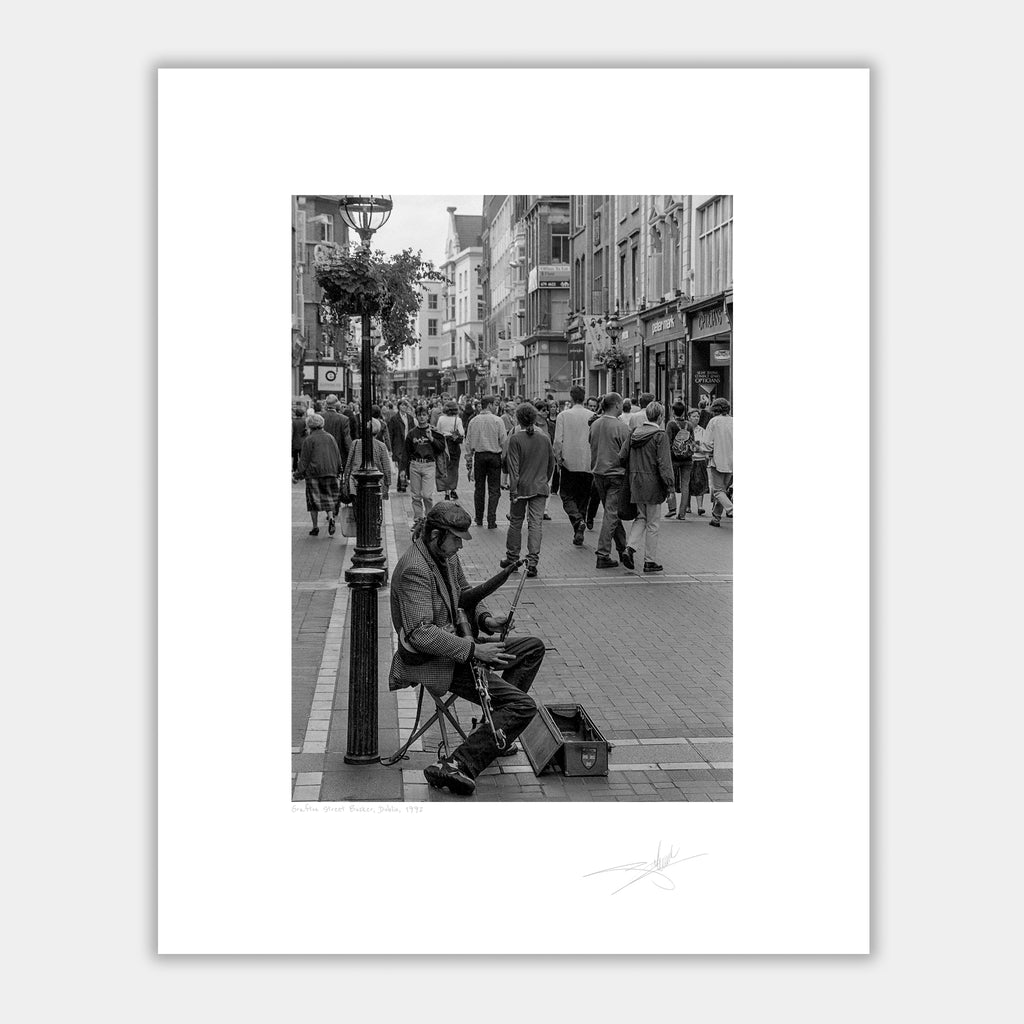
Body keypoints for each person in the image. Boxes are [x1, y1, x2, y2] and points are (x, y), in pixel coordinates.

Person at [389, 502, 545, 796]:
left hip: (459, 644)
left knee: (532, 648)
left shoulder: (444, 556)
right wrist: (475, 652)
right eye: (456, 538)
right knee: (523, 707)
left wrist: (486, 619)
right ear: (436, 535)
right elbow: (420, 633)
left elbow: (465, 594)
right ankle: (459, 763)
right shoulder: (414, 569)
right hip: (433, 660)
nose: (460, 545)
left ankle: (491, 731)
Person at [501, 403, 555, 579]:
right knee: (535, 524)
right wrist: (543, 480)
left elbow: (513, 468)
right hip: (539, 486)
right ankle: (532, 562)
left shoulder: (516, 439)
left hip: (521, 487)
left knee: (516, 522)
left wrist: (513, 490)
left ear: (518, 419)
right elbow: (551, 464)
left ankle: (512, 557)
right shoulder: (545, 437)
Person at [620, 401, 674, 574]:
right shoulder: (660, 435)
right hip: (653, 483)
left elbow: (622, 456)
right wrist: (670, 486)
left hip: (635, 481)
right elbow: (664, 464)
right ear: (659, 417)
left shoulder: (634, 433)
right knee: (653, 523)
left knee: (641, 518)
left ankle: (629, 547)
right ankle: (649, 561)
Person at [589, 393, 631, 569]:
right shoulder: (621, 427)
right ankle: (603, 553)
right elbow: (627, 452)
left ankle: (623, 549)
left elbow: (590, 444)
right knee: (611, 514)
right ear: (616, 405)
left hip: (598, 472)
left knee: (611, 513)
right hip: (616, 474)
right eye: (621, 404)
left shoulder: (595, 424)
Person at [553, 385, 593, 546]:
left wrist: (558, 458)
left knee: (567, 495)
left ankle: (577, 520)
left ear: (571, 397)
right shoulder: (592, 415)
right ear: (584, 398)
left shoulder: (563, 416)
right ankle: (579, 524)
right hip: (587, 462)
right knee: (583, 498)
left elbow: (557, 441)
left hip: (569, 463)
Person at [293, 412, 343, 536]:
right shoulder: (330, 437)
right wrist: (339, 469)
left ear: (309, 426)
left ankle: (315, 527)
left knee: (313, 502)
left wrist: (297, 475)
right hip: (330, 471)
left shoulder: (309, 440)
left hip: (314, 474)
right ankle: (331, 517)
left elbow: (304, 460)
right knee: (329, 498)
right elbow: (337, 454)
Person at [464, 395, 506, 529]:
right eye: (495, 404)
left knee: (479, 488)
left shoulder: (473, 421)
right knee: (494, 489)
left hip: (479, 456)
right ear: (489, 405)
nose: (496, 407)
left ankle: (479, 517)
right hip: (494, 456)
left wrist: (469, 461)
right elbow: (503, 441)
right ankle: (492, 519)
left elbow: (468, 442)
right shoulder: (498, 420)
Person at [403, 406, 447, 520]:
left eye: (424, 415)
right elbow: (406, 452)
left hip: (429, 464)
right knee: (416, 496)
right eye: (419, 415)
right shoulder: (412, 433)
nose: (422, 417)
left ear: (428, 416)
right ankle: (418, 519)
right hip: (415, 465)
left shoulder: (434, 431)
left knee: (427, 495)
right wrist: (403, 470)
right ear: (416, 417)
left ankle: (429, 517)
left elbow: (441, 447)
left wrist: (431, 438)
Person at [342, 418, 392, 504]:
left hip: (355, 480)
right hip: (376, 482)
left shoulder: (355, 443)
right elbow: (386, 467)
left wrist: (345, 479)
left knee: (357, 505)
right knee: (374, 506)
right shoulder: (381, 446)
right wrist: (387, 483)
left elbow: (349, 464)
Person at [703, 397, 734, 527]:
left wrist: (705, 451)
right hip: (732, 461)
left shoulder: (714, 422)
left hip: (717, 460)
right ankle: (716, 518)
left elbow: (707, 442)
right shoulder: (734, 421)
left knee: (718, 491)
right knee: (723, 491)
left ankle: (731, 508)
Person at [664, 401, 694, 520]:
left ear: (673, 411)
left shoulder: (671, 424)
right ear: (684, 411)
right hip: (688, 459)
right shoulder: (689, 425)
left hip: (673, 458)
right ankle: (682, 513)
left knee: (670, 482)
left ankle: (672, 508)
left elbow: (667, 441)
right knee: (685, 485)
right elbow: (692, 442)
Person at [434, 399, 465, 500]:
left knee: (444, 467)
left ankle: (446, 492)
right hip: (454, 445)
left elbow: (438, 431)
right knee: (454, 468)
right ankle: (453, 490)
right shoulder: (458, 420)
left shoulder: (441, 419)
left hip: (444, 444)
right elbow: (462, 432)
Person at [534, 400, 557, 520]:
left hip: (549, 459)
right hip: (535, 459)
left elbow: (555, 441)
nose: (546, 412)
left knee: (548, 484)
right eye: (543, 410)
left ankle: (545, 510)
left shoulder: (551, 426)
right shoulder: (532, 426)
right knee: (535, 483)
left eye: (547, 409)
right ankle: (534, 509)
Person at [388, 399, 415, 493]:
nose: (404, 407)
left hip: (408, 443)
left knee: (407, 464)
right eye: (403, 405)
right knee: (401, 465)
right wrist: (390, 447)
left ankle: (401, 484)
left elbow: (413, 431)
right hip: (398, 444)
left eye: (406, 405)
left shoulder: (410, 418)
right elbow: (390, 433)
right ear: (399, 406)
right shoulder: (394, 418)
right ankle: (402, 484)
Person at [686, 408, 710, 515]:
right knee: (687, 483)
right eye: (694, 416)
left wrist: (698, 448)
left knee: (700, 483)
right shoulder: (685, 429)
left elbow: (705, 445)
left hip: (700, 459)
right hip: (689, 460)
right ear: (689, 417)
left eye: (697, 416)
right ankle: (687, 506)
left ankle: (700, 506)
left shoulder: (702, 431)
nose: (696, 418)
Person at [321, 395, 352, 469]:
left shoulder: (320, 417)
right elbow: (347, 439)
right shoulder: (344, 419)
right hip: (339, 455)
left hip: (323, 455)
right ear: (337, 405)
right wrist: (351, 455)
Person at [291, 406, 308, 474]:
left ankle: (295, 469)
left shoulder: (293, 422)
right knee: (302, 457)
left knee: (295, 457)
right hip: (303, 441)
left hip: (295, 441)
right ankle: (302, 469)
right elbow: (306, 431)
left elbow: (292, 432)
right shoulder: (305, 421)